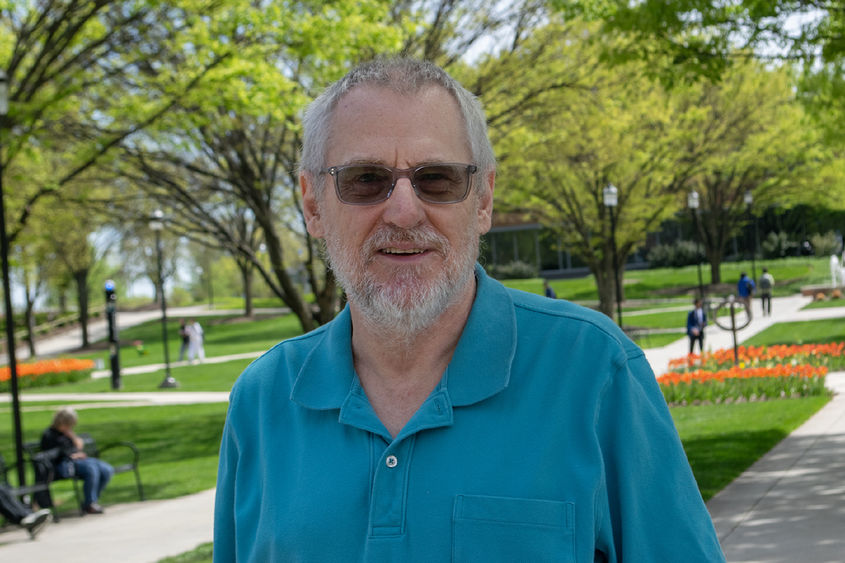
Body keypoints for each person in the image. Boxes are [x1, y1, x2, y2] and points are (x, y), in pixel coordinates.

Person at [214, 58, 725, 561]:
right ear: (312, 205)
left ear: (483, 200)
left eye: (437, 178)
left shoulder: (595, 371)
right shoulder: (261, 403)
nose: (404, 210)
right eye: (365, 179)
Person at [40, 407, 113, 514]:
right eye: (68, 424)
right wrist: (71, 456)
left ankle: (91, 501)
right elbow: (53, 454)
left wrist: (72, 436)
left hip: (77, 461)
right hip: (62, 465)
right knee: (91, 469)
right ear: (61, 422)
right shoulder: (49, 435)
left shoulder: (66, 433)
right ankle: (90, 504)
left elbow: (79, 446)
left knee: (107, 469)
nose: (70, 427)